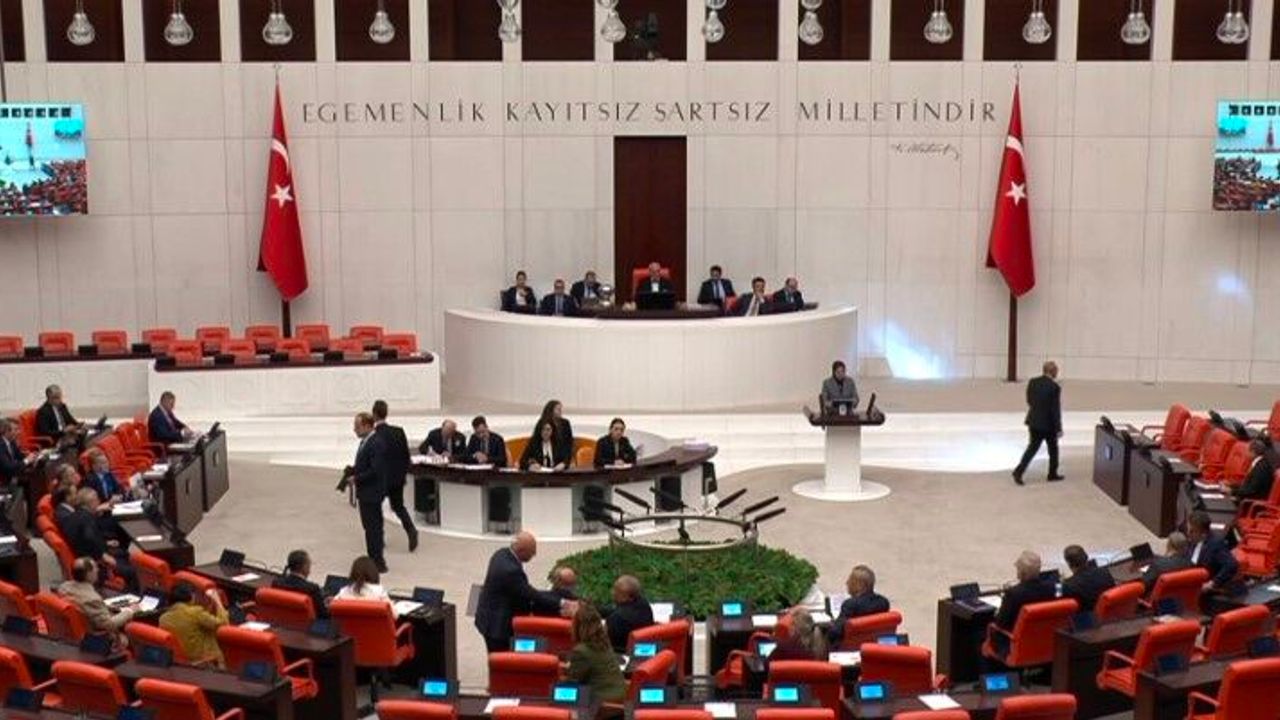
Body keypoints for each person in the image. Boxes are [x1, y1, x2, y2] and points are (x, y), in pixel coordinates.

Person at [474, 532, 574, 652]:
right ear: (521, 551)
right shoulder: (511, 571)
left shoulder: (501, 554)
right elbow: (530, 594)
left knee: (497, 657)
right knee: (503, 656)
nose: (534, 555)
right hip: (497, 627)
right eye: (532, 552)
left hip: (487, 617)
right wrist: (562, 603)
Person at [59, 488, 135, 589]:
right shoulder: (88, 519)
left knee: (123, 553)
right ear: (91, 503)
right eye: (97, 500)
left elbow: (84, 539)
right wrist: (103, 556)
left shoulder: (73, 516)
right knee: (133, 571)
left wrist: (106, 543)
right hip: (95, 564)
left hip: (83, 556)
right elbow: (89, 538)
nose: (99, 502)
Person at [372, 400, 418, 553]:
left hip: (381, 479)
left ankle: (379, 538)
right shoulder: (398, 431)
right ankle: (411, 530)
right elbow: (406, 455)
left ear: (374, 414)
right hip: (397, 478)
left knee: (375, 507)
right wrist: (402, 474)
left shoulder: (375, 434)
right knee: (398, 507)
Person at [58, 558, 137, 646]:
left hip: (71, 634)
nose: (98, 570)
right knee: (133, 633)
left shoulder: (64, 588)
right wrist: (129, 611)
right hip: (98, 640)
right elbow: (109, 624)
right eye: (95, 568)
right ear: (88, 574)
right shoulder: (92, 599)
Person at [346, 413, 387, 573]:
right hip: (366, 492)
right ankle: (374, 558)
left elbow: (375, 470)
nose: (355, 429)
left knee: (373, 528)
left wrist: (357, 478)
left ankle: (377, 561)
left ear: (367, 426)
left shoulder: (375, 443)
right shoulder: (366, 442)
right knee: (369, 527)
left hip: (372, 492)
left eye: (357, 426)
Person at [1012, 361, 1063, 485]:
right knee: (1053, 450)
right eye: (1056, 371)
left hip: (1034, 421)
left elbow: (1029, 400)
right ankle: (1052, 473)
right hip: (1048, 425)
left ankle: (1019, 471)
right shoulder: (1054, 387)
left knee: (1032, 448)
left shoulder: (1033, 382)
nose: (1057, 373)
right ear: (1052, 371)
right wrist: (1058, 428)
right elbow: (1055, 410)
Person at [563, 603, 627, 702]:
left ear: (577, 626)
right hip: (620, 697)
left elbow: (571, 685)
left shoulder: (581, 651)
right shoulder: (605, 644)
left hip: (602, 704)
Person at [159, 582, 229, 667]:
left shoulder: (163, 619)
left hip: (183, 666)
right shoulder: (195, 613)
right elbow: (224, 625)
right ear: (191, 596)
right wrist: (218, 601)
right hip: (209, 664)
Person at [828, 565, 890, 646]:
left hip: (850, 648)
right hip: (875, 646)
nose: (846, 583)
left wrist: (831, 625)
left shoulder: (850, 605)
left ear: (859, 585)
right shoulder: (883, 603)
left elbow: (835, 633)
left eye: (850, 580)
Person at [993, 551, 1056, 632]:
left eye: (1018, 568)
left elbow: (1001, 623)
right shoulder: (1052, 588)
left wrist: (1003, 604)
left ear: (1022, 573)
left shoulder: (1013, 594)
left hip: (1014, 636)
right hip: (1043, 633)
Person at [1187, 511, 1242, 595]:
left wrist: (1212, 583)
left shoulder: (1216, 544)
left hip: (1209, 591)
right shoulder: (1192, 542)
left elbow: (1231, 565)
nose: (1188, 534)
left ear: (1203, 533)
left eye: (1192, 531)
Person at [272, 550, 330, 619]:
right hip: (305, 624)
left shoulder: (277, 583)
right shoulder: (312, 589)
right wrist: (330, 605)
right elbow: (323, 614)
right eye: (309, 564)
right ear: (304, 567)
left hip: (280, 621)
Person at [605, 575, 653, 653]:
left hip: (621, 653)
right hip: (644, 649)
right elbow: (615, 610)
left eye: (616, 591)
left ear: (626, 596)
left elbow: (605, 642)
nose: (612, 593)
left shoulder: (617, 618)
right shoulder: (644, 605)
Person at [1061, 545, 1115, 612]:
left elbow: (1058, 597)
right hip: (1110, 612)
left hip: (1087, 616)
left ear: (1069, 563)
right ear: (1086, 557)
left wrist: (1059, 583)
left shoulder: (1069, 585)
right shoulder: (1104, 572)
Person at [0, 418, 31, 534]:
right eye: (15, 429)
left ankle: (29, 522)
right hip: (4, 481)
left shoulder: (11, 442)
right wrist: (26, 462)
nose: (18, 432)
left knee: (31, 485)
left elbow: (19, 457)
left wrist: (31, 457)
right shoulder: (0, 445)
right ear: (6, 432)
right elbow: (7, 467)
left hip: (13, 476)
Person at [537, 400, 575, 464]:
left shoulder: (565, 423)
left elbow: (569, 442)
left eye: (561, 409)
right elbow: (538, 441)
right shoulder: (542, 422)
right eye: (558, 409)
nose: (560, 411)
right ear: (551, 410)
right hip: (547, 454)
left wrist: (565, 461)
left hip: (563, 456)